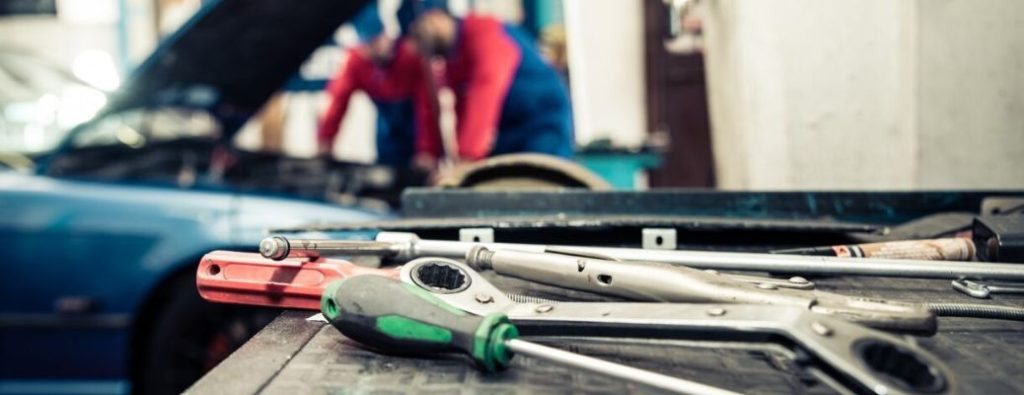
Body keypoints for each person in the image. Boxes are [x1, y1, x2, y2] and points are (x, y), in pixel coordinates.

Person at [408, 10, 574, 173]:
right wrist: (429, 152)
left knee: (540, 180)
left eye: (418, 35)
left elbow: (486, 87)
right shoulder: (452, 56)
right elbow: (451, 106)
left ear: (436, 18)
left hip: (543, 121)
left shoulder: (483, 31)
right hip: (509, 128)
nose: (418, 47)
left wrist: (467, 159)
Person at [316, 2, 423, 168]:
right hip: (386, 127)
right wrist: (325, 140)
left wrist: (427, 151)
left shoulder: (411, 57)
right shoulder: (357, 61)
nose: (378, 48)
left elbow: (427, 108)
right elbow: (338, 100)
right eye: (370, 44)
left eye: (379, 39)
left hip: (415, 124)